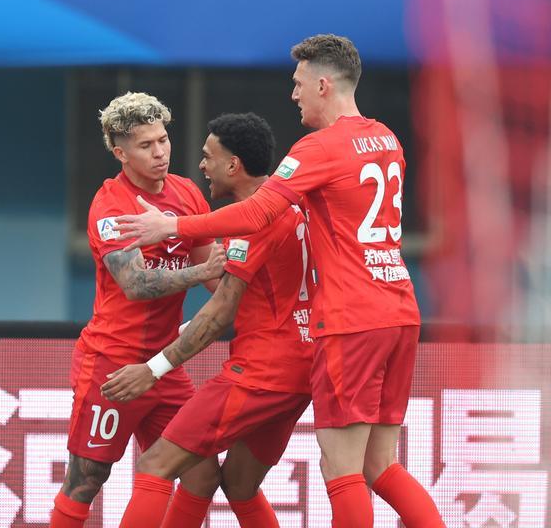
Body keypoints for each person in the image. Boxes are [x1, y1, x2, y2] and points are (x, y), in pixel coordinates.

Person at [116, 35, 447, 528]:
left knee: (341, 469)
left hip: (347, 323)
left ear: (322, 84)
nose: (293, 95)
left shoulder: (318, 149)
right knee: (378, 465)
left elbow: (257, 214)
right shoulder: (387, 139)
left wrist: (172, 226)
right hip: (399, 308)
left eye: (298, 84)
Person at [102, 112, 314, 528]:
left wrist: (152, 368)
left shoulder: (252, 222)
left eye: (208, 156)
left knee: (155, 464)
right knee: (239, 484)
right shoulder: (296, 204)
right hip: (305, 369)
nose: (200, 165)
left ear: (233, 166)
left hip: (262, 373)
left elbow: (220, 313)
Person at [49, 91, 226, 528]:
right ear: (120, 153)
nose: (160, 152)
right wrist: (202, 270)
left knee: (203, 474)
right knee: (86, 480)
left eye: (163, 139)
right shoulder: (110, 206)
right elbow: (136, 285)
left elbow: (216, 278)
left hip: (164, 366)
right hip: (111, 364)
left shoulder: (187, 193)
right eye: (146, 145)